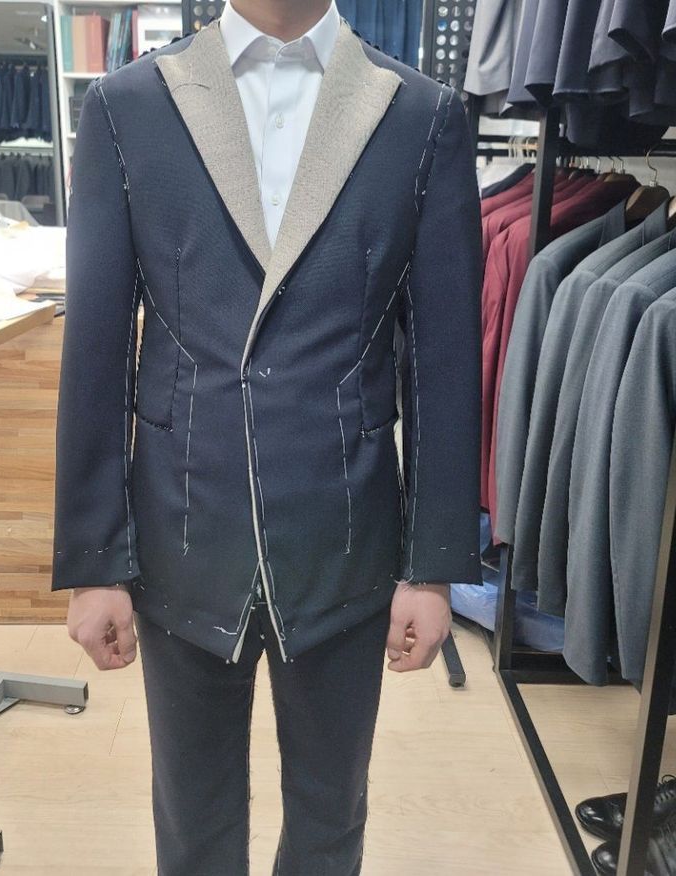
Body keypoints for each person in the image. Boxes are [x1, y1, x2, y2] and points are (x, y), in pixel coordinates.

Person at [52, 1, 482, 873]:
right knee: (192, 819)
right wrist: (94, 562)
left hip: (344, 537)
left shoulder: (420, 116)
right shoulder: (128, 107)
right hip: (183, 529)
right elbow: (96, 346)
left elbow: (443, 361)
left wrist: (432, 566)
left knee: (332, 816)